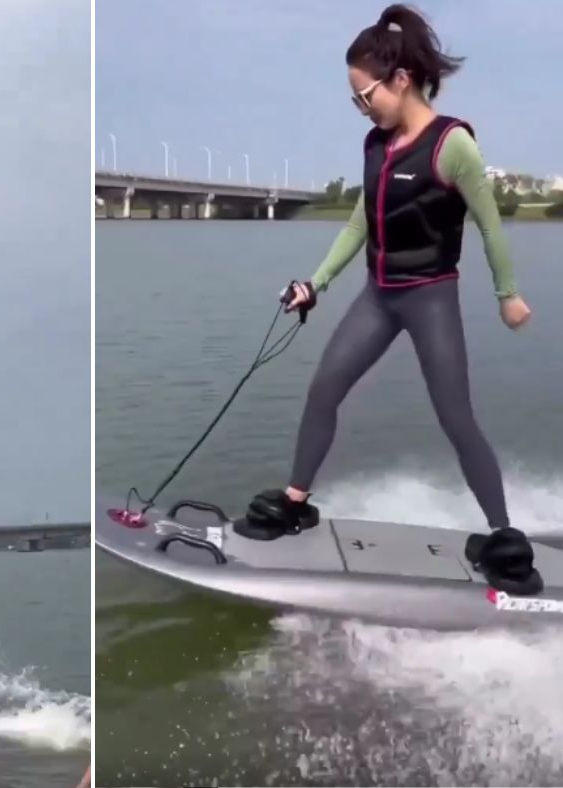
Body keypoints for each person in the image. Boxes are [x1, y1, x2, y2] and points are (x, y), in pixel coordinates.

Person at [241, 4, 542, 594]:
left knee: (455, 417)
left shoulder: (453, 145)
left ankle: (504, 537)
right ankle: (298, 499)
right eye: (354, 99)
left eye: (365, 94)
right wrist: (315, 284)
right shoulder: (375, 146)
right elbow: (359, 224)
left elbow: (490, 226)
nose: (361, 106)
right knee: (323, 388)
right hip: (379, 296)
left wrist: (508, 296)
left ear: (400, 79)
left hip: (431, 297)